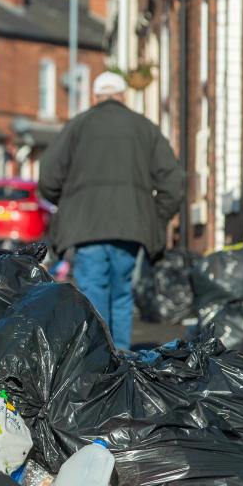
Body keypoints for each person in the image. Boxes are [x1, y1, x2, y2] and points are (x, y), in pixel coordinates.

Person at [38, 71, 184, 349]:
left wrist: (68, 204)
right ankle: (122, 359)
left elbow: (48, 176)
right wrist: (155, 218)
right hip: (130, 227)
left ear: (95, 96)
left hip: (85, 227)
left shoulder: (77, 126)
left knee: (93, 292)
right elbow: (172, 183)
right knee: (122, 294)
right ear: (123, 96)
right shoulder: (144, 128)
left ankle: (99, 361)